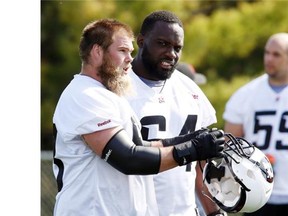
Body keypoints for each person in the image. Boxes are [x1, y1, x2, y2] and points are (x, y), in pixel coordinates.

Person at [52, 18, 225, 216]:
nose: (130, 58)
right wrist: (192, 149)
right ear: (97, 52)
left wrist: (191, 140)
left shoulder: (105, 94)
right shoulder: (84, 95)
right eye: (123, 51)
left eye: (131, 52)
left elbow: (142, 146)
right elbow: (128, 158)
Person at [126, 11, 226, 216]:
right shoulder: (115, 88)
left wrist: (214, 212)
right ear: (141, 41)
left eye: (177, 47)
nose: (171, 53)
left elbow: (200, 165)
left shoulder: (190, 89)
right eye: (162, 43)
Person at [223, 32, 288, 216]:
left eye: (276, 54)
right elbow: (231, 145)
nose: (269, 58)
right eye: (267, 53)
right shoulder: (245, 95)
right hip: (258, 193)